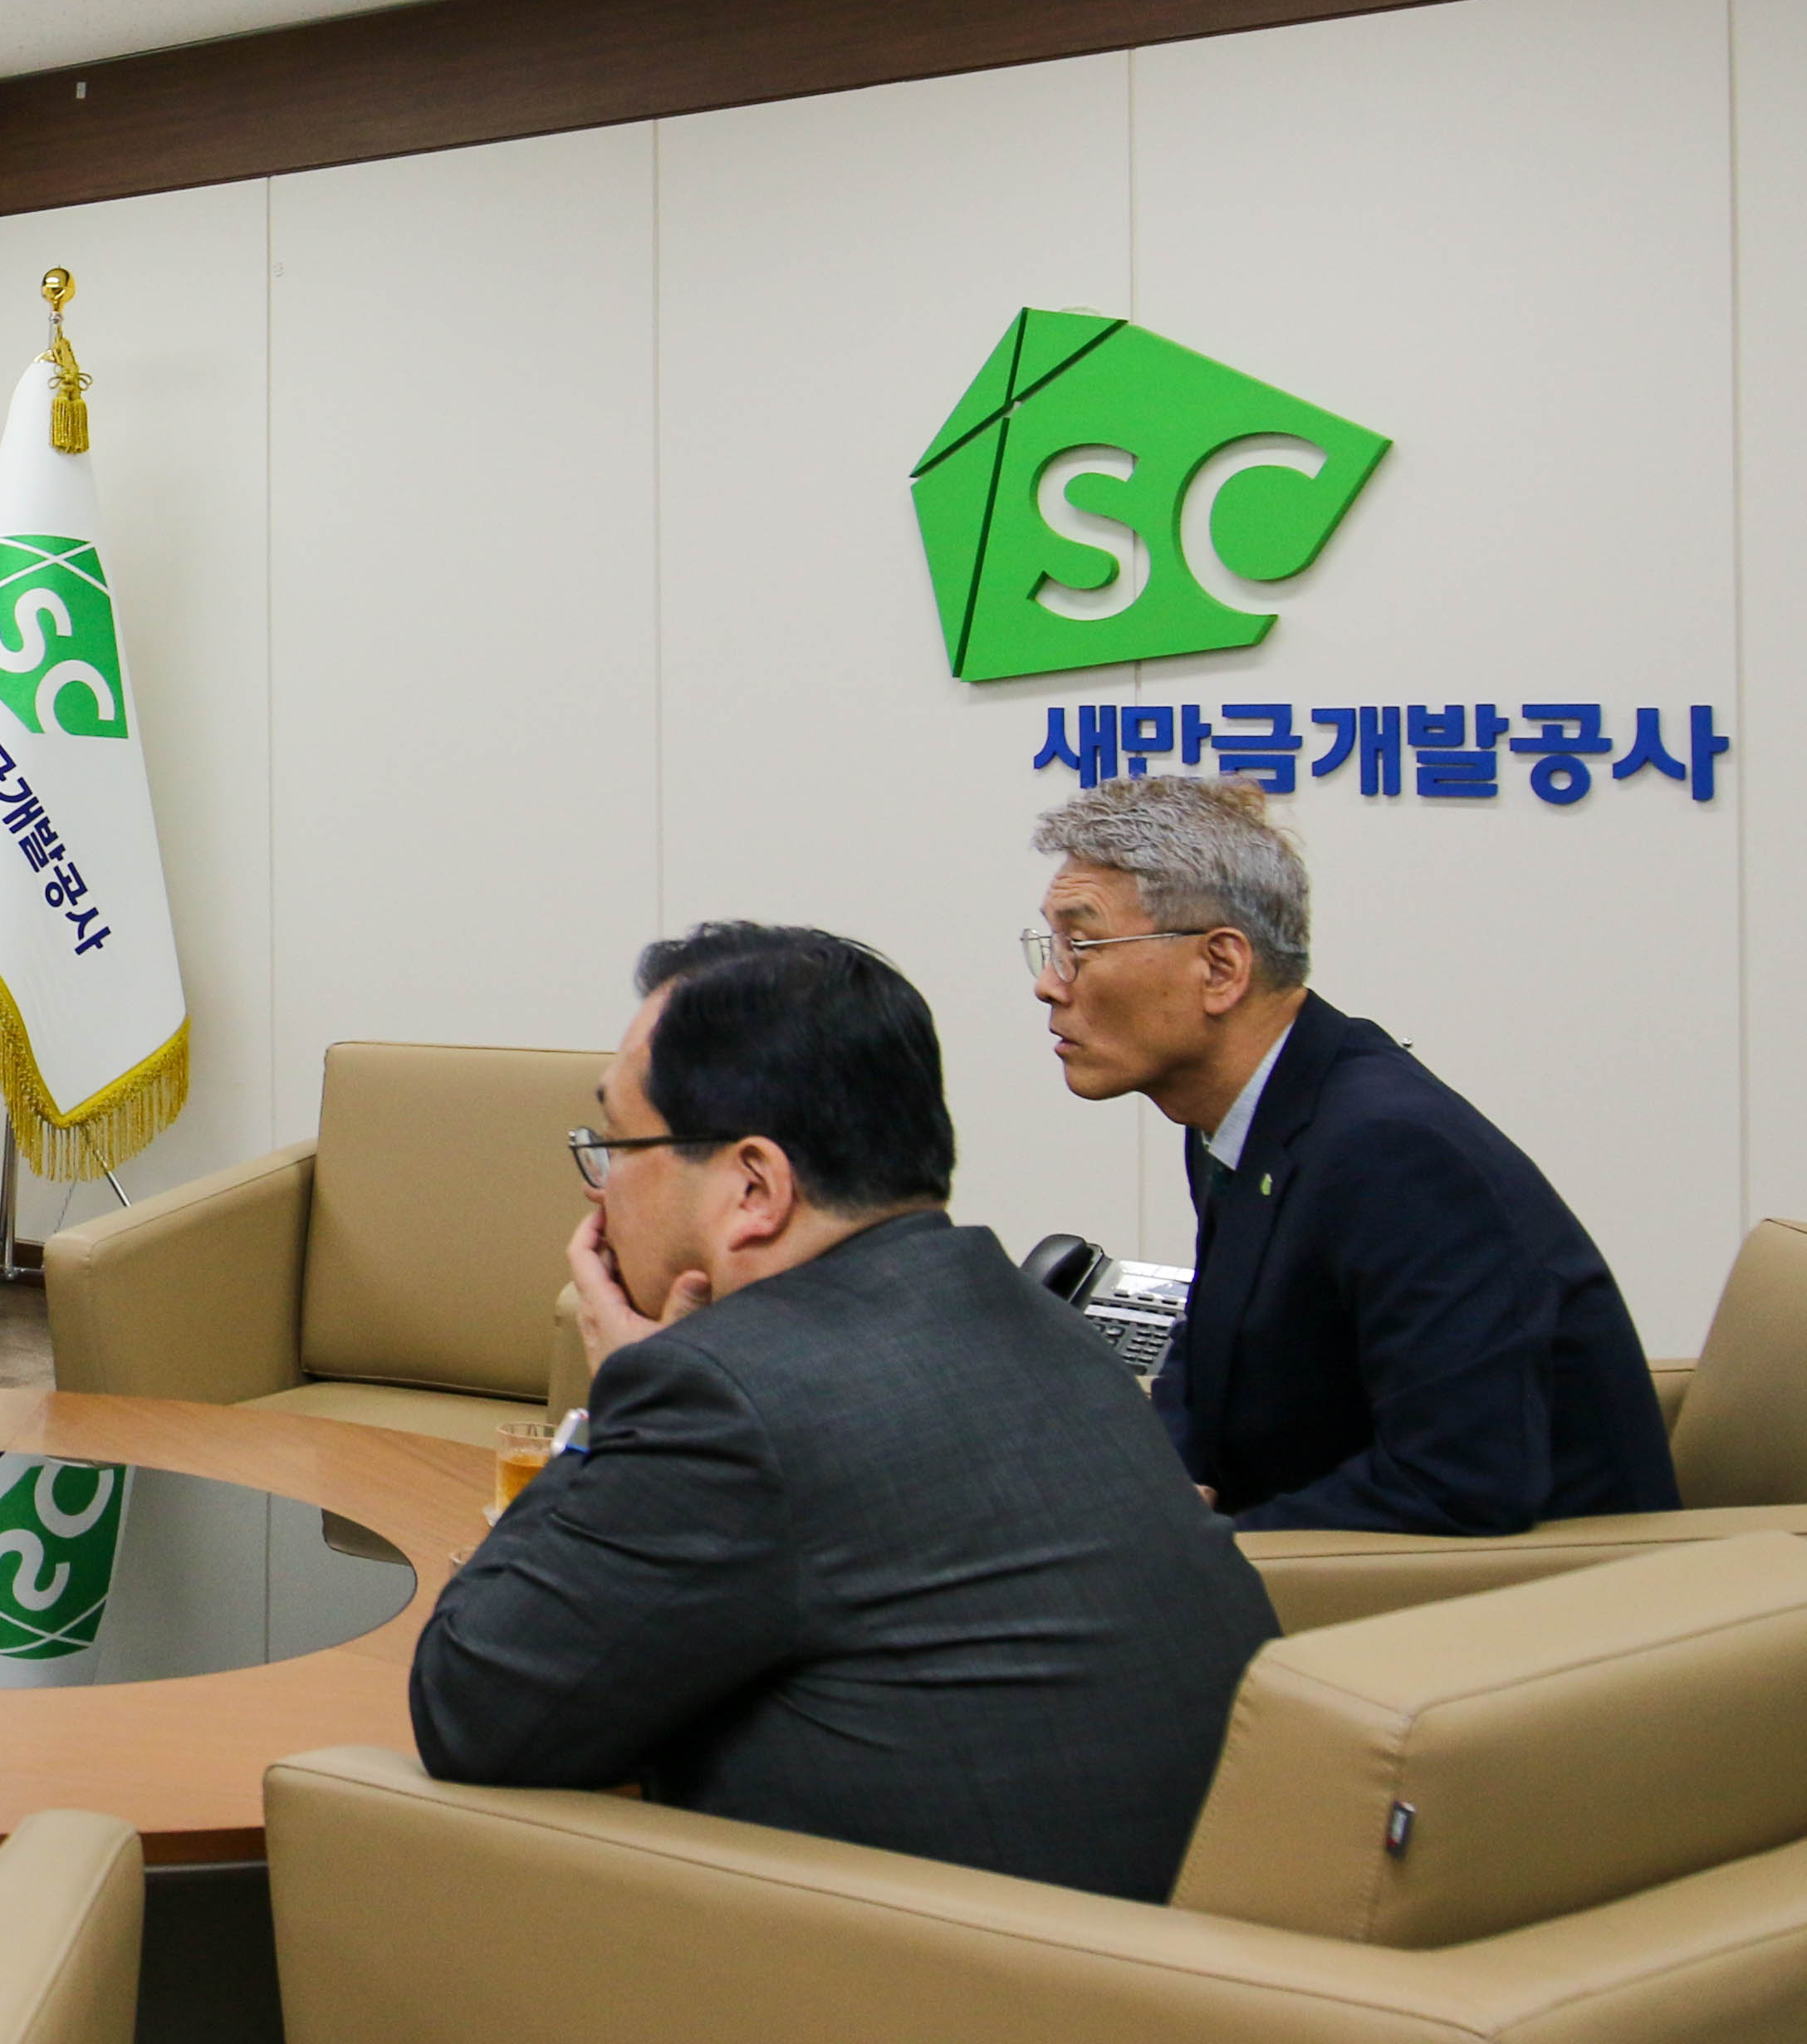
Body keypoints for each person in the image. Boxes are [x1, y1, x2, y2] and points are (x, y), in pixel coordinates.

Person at [413, 924, 1274, 1902]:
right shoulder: (1043, 1328)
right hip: (1162, 1966)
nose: (601, 1189)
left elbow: (473, 1706)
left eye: (615, 1144)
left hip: (912, 1982)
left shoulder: (726, 1397)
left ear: (753, 1188)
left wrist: (619, 1404)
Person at [1031, 774, 1677, 1535]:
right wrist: (1151, 1495)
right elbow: (1205, 1373)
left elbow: (1459, 1484)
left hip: (1523, 1607)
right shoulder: (1239, 1115)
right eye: (1050, 948)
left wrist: (1205, 1548)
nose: (1049, 984)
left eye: (1082, 945)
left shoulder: (1392, 1151)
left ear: (1220, 969)